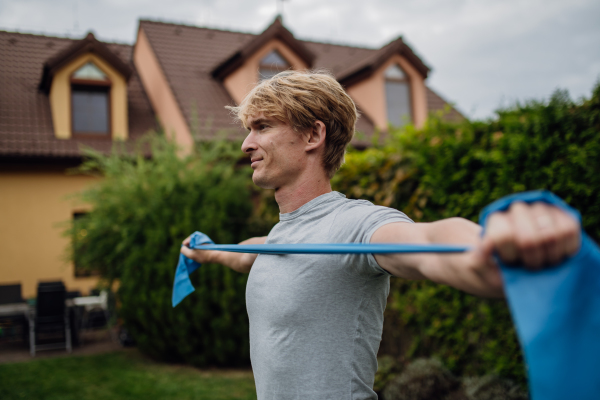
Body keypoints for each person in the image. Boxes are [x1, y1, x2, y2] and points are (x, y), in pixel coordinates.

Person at [180, 70, 580, 400]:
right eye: (249, 129)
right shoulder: (282, 238)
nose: (247, 143)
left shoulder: (355, 225)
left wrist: (492, 249)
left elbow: (427, 244)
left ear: (312, 136)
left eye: (262, 127)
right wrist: (207, 251)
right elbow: (249, 253)